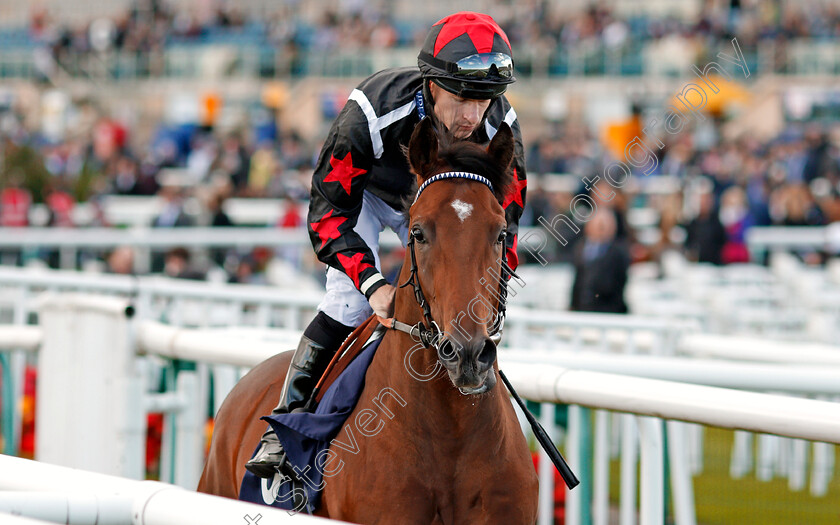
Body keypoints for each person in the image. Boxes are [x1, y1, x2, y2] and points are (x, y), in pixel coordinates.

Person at [245, 11, 529, 478]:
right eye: (462, 99)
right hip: (369, 198)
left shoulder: (502, 126)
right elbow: (327, 213)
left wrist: (487, 292)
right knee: (349, 302)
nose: (473, 116)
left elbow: (506, 220)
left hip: (443, 203)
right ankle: (286, 425)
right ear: (432, 84)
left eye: (485, 101)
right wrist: (374, 283)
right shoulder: (371, 109)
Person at [570, 209, 630, 314]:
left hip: (607, 311)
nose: (601, 230)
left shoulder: (618, 253)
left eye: (604, 226)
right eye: (599, 226)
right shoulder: (580, 248)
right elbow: (577, 282)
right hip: (581, 310)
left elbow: (615, 285)